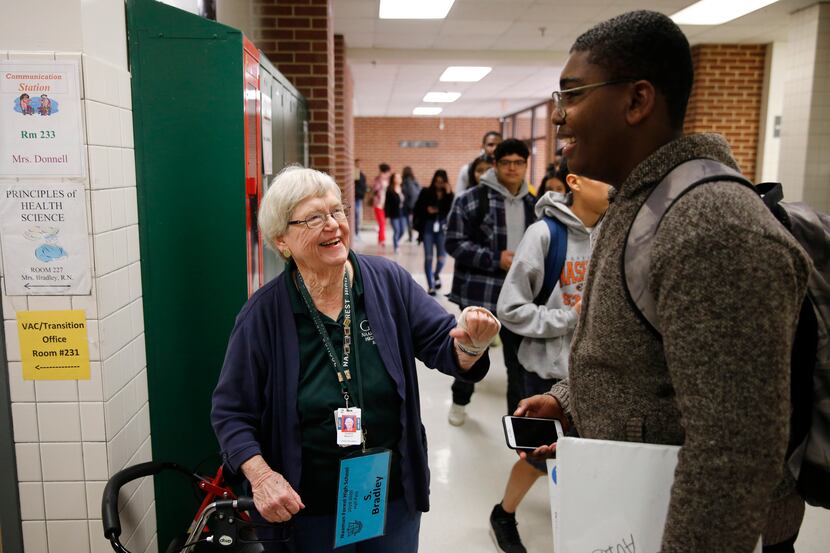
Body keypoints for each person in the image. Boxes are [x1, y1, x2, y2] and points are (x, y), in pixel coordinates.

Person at [517, 11, 811, 553]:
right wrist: (569, 400)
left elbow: (735, 453)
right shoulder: (635, 206)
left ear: (637, 101)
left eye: (573, 95)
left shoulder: (714, 227)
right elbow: (646, 363)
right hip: (628, 511)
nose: (559, 119)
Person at [211, 166, 500, 552]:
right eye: (314, 218)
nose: (333, 225)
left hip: (388, 496)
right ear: (282, 240)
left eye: (337, 211)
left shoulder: (388, 282)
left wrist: (471, 345)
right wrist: (262, 477)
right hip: (303, 510)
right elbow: (231, 412)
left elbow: (442, 345)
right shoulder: (263, 315)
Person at [490, 168, 610, 553]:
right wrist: (570, 317)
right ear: (574, 182)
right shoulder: (544, 234)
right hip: (546, 372)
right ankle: (503, 514)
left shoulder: (615, 233)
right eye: (604, 178)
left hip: (598, 372)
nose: (613, 187)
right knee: (538, 458)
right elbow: (509, 309)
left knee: (588, 457)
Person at [445, 138, 537, 426]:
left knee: (518, 363)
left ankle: (517, 422)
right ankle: (459, 402)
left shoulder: (534, 205)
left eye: (518, 163)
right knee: (470, 352)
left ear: (525, 165)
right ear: (495, 165)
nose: (512, 168)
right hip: (480, 294)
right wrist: (495, 258)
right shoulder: (471, 199)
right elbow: (454, 243)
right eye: (506, 162)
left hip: (519, 296)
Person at [412, 169, 454, 295]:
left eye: (441, 182)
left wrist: (449, 194)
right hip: (428, 228)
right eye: (437, 182)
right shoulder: (426, 192)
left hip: (442, 228)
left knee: (442, 258)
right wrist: (427, 210)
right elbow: (417, 208)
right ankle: (431, 286)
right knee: (429, 257)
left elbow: (451, 212)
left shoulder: (449, 195)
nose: (439, 184)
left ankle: (435, 275)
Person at [384, 172, 407, 253]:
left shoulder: (403, 188)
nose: (398, 179)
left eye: (399, 177)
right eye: (396, 178)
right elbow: (387, 204)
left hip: (403, 213)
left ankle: (397, 241)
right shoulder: (389, 190)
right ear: (393, 179)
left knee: (403, 230)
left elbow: (406, 201)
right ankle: (396, 246)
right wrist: (386, 215)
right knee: (397, 230)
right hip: (394, 214)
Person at [372, 163, 391, 247]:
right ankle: (382, 240)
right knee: (382, 223)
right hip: (378, 205)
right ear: (386, 171)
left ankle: (381, 239)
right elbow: (375, 189)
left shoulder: (387, 181)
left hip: (384, 205)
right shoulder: (378, 180)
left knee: (383, 223)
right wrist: (380, 180)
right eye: (388, 172)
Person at [401, 166, 421, 242]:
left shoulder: (407, 181)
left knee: (410, 221)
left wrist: (409, 205)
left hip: (410, 206)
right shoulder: (414, 180)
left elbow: (410, 193)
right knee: (414, 220)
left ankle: (410, 237)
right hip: (416, 204)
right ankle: (413, 236)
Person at [353, 159, 367, 239]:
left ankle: (357, 232)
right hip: (356, 197)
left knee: (358, 216)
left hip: (359, 198)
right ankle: (356, 233)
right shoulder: (355, 173)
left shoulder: (361, 174)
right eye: (358, 163)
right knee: (356, 215)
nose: (359, 165)